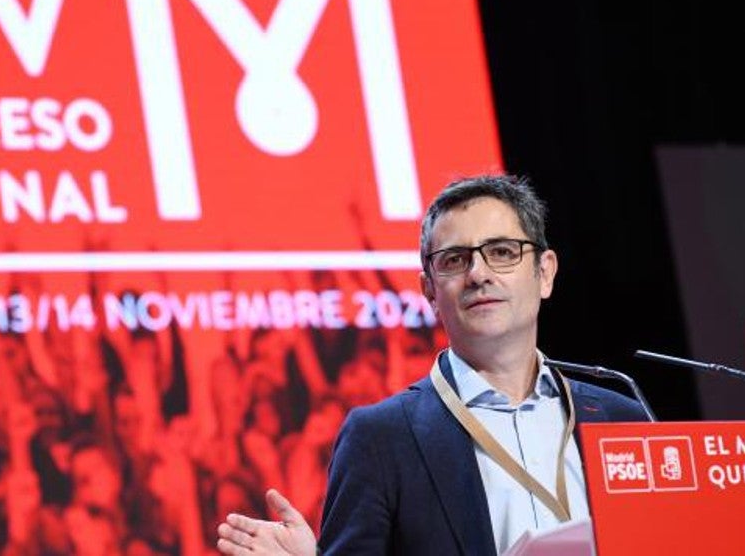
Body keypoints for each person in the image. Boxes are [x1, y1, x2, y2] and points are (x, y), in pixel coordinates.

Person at [215, 175, 650, 555]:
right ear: (428, 290)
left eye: (501, 252)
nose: (478, 273)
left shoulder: (621, 418)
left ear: (545, 273)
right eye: (455, 260)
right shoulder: (381, 439)